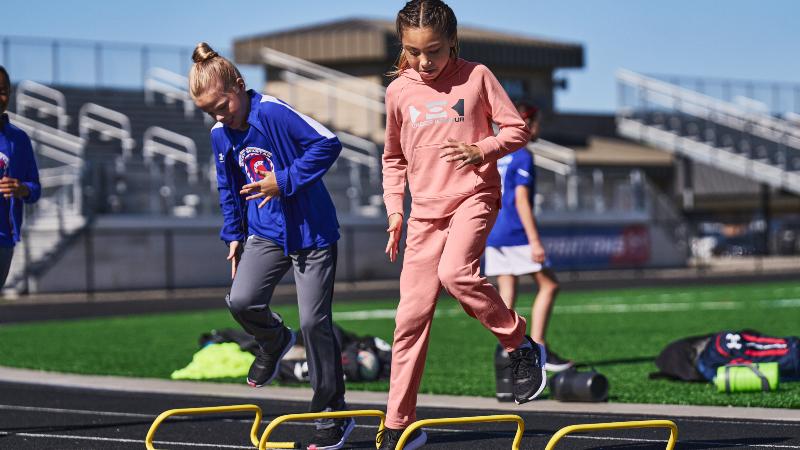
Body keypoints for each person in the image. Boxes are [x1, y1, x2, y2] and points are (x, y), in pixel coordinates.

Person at [379, 2, 546, 448]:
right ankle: (399, 425)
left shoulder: (477, 77)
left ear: (452, 41)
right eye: (414, 52)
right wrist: (395, 209)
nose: (424, 62)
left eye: (433, 51)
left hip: (474, 196)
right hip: (423, 215)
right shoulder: (399, 92)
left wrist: (482, 150)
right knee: (409, 319)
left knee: (456, 273)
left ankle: (519, 344)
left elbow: (516, 130)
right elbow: (393, 158)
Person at [189, 43, 352, 450]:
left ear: (240, 86)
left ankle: (331, 412)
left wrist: (284, 180)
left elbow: (328, 143)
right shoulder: (219, 134)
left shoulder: (273, 111)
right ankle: (275, 340)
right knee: (241, 301)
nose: (219, 116)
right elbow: (229, 187)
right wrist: (234, 235)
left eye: (223, 106)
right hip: (265, 234)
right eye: (210, 112)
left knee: (316, 323)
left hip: (312, 233)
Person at [486, 101, 573, 383]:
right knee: (550, 284)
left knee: (507, 292)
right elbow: (521, 200)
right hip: (515, 231)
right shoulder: (522, 154)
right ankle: (538, 348)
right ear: (529, 125)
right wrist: (535, 241)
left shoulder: (498, 153)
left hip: (494, 230)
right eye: (536, 123)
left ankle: (507, 350)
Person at [0, 65, 41, 288]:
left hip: (3, 241)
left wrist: (22, 189)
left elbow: (35, 189)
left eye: (3, 90)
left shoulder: (19, 140)